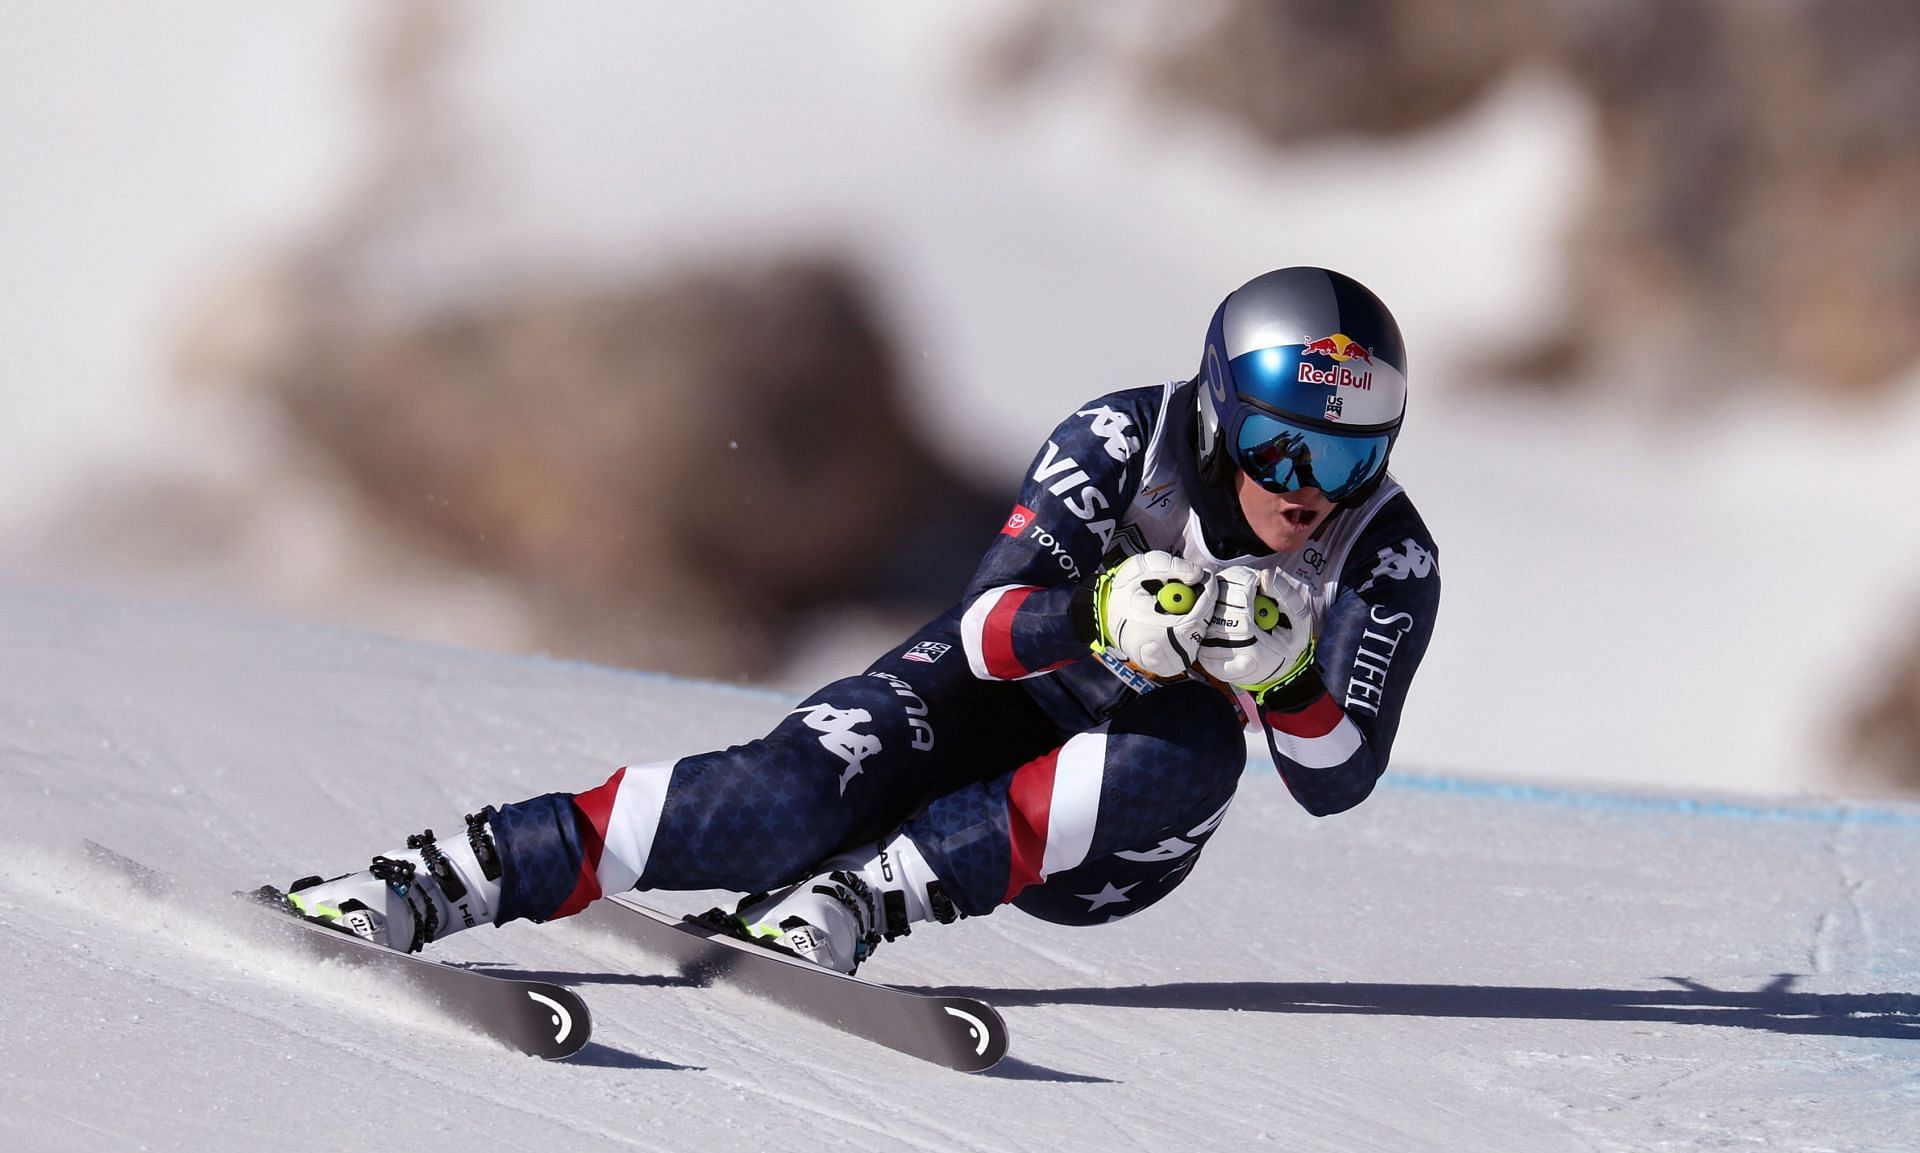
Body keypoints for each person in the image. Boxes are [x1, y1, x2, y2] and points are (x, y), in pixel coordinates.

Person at [283, 266, 1442, 974]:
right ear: (1219, 408)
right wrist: (1097, 609)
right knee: (788, 795)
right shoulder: (1122, 436)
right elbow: (988, 627)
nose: (1307, 486)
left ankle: (863, 898)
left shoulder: (1385, 549)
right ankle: (446, 875)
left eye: (1348, 453)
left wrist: (1288, 680)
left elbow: (1336, 780)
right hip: (1005, 687)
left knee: (1196, 744)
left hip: (1110, 836)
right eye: (1279, 441)